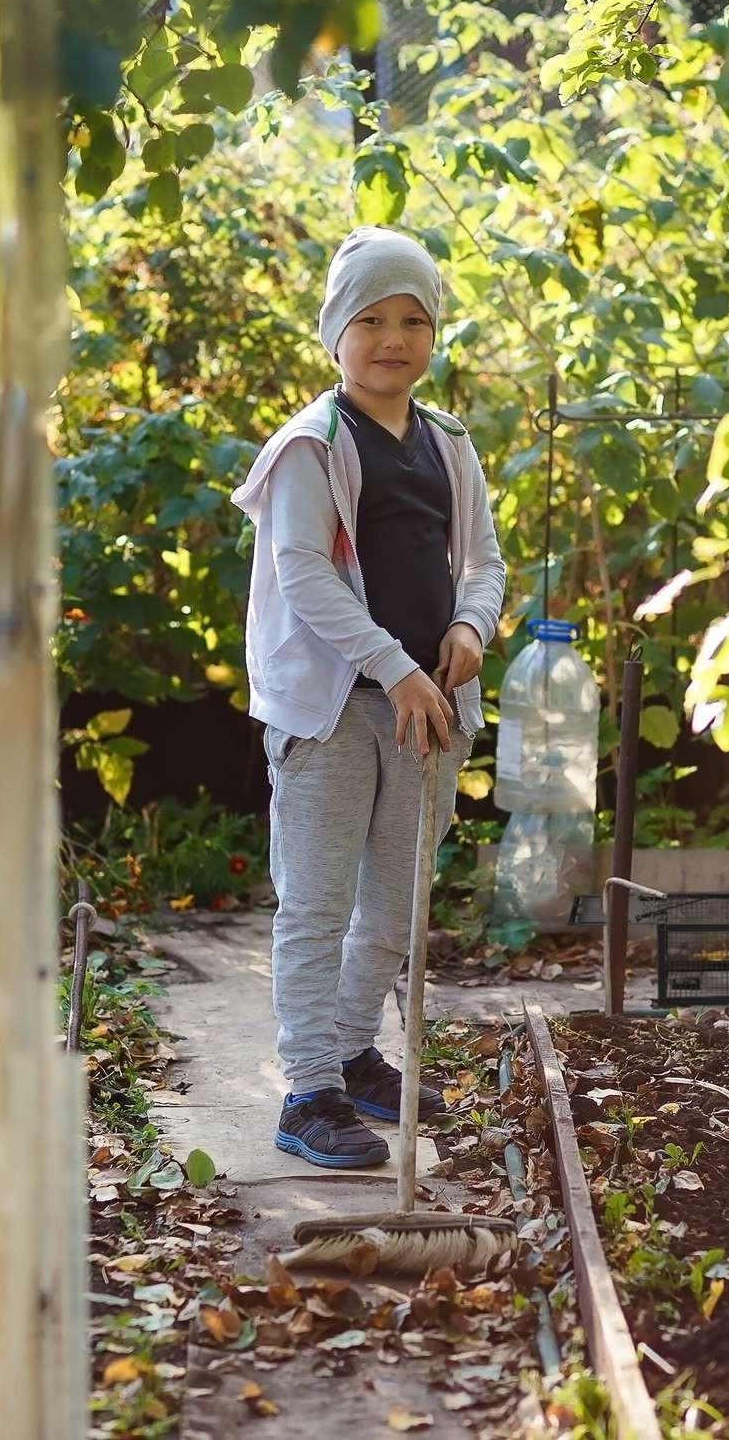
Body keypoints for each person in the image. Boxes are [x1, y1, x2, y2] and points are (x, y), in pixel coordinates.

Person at [230, 227, 505, 1168]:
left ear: (434, 334)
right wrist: (396, 665)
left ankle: (351, 1051)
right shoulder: (313, 445)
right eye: (372, 320)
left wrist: (470, 630)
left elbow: (483, 564)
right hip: (336, 708)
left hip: (428, 712)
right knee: (314, 903)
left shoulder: (447, 443)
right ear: (335, 334)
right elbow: (305, 572)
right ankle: (307, 1090)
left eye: (414, 320)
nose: (394, 338)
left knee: (397, 905)